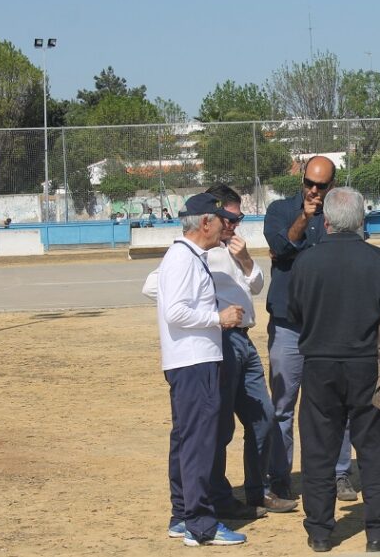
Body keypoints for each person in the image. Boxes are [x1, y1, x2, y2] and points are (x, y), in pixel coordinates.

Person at [143, 186, 298, 520]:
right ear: (210, 219)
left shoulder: (228, 247)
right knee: (216, 426)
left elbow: (256, 285)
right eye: (229, 218)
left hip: (243, 339)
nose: (234, 225)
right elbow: (154, 287)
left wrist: (243, 259)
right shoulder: (196, 251)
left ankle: (257, 492)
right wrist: (210, 309)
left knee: (263, 416)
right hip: (218, 341)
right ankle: (217, 497)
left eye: (238, 218)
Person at [288, 187, 380, 553]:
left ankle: (319, 532)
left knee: (318, 451)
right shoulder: (376, 261)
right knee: (374, 450)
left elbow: (292, 312)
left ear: (325, 222)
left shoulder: (306, 262)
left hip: (319, 365)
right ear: (361, 221)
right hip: (366, 365)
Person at [263, 155, 357, 502]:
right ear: (302, 180)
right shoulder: (279, 210)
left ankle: (340, 473)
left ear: (332, 184)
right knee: (283, 405)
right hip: (288, 324)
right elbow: (280, 247)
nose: (314, 191)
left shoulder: (341, 214)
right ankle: (280, 478)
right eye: (309, 183)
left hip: (330, 324)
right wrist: (304, 217)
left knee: (337, 404)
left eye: (321, 185)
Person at [156, 193, 247, 547]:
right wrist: (218, 318)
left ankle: (183, 515)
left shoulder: (189, 256)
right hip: (193, 361)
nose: (227, 225)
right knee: (197, 443)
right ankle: (199, 524)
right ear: (204, 222)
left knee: (186, 440)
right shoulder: (183, 258)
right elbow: (175, 312)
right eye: (222, 219)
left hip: (191, 360)